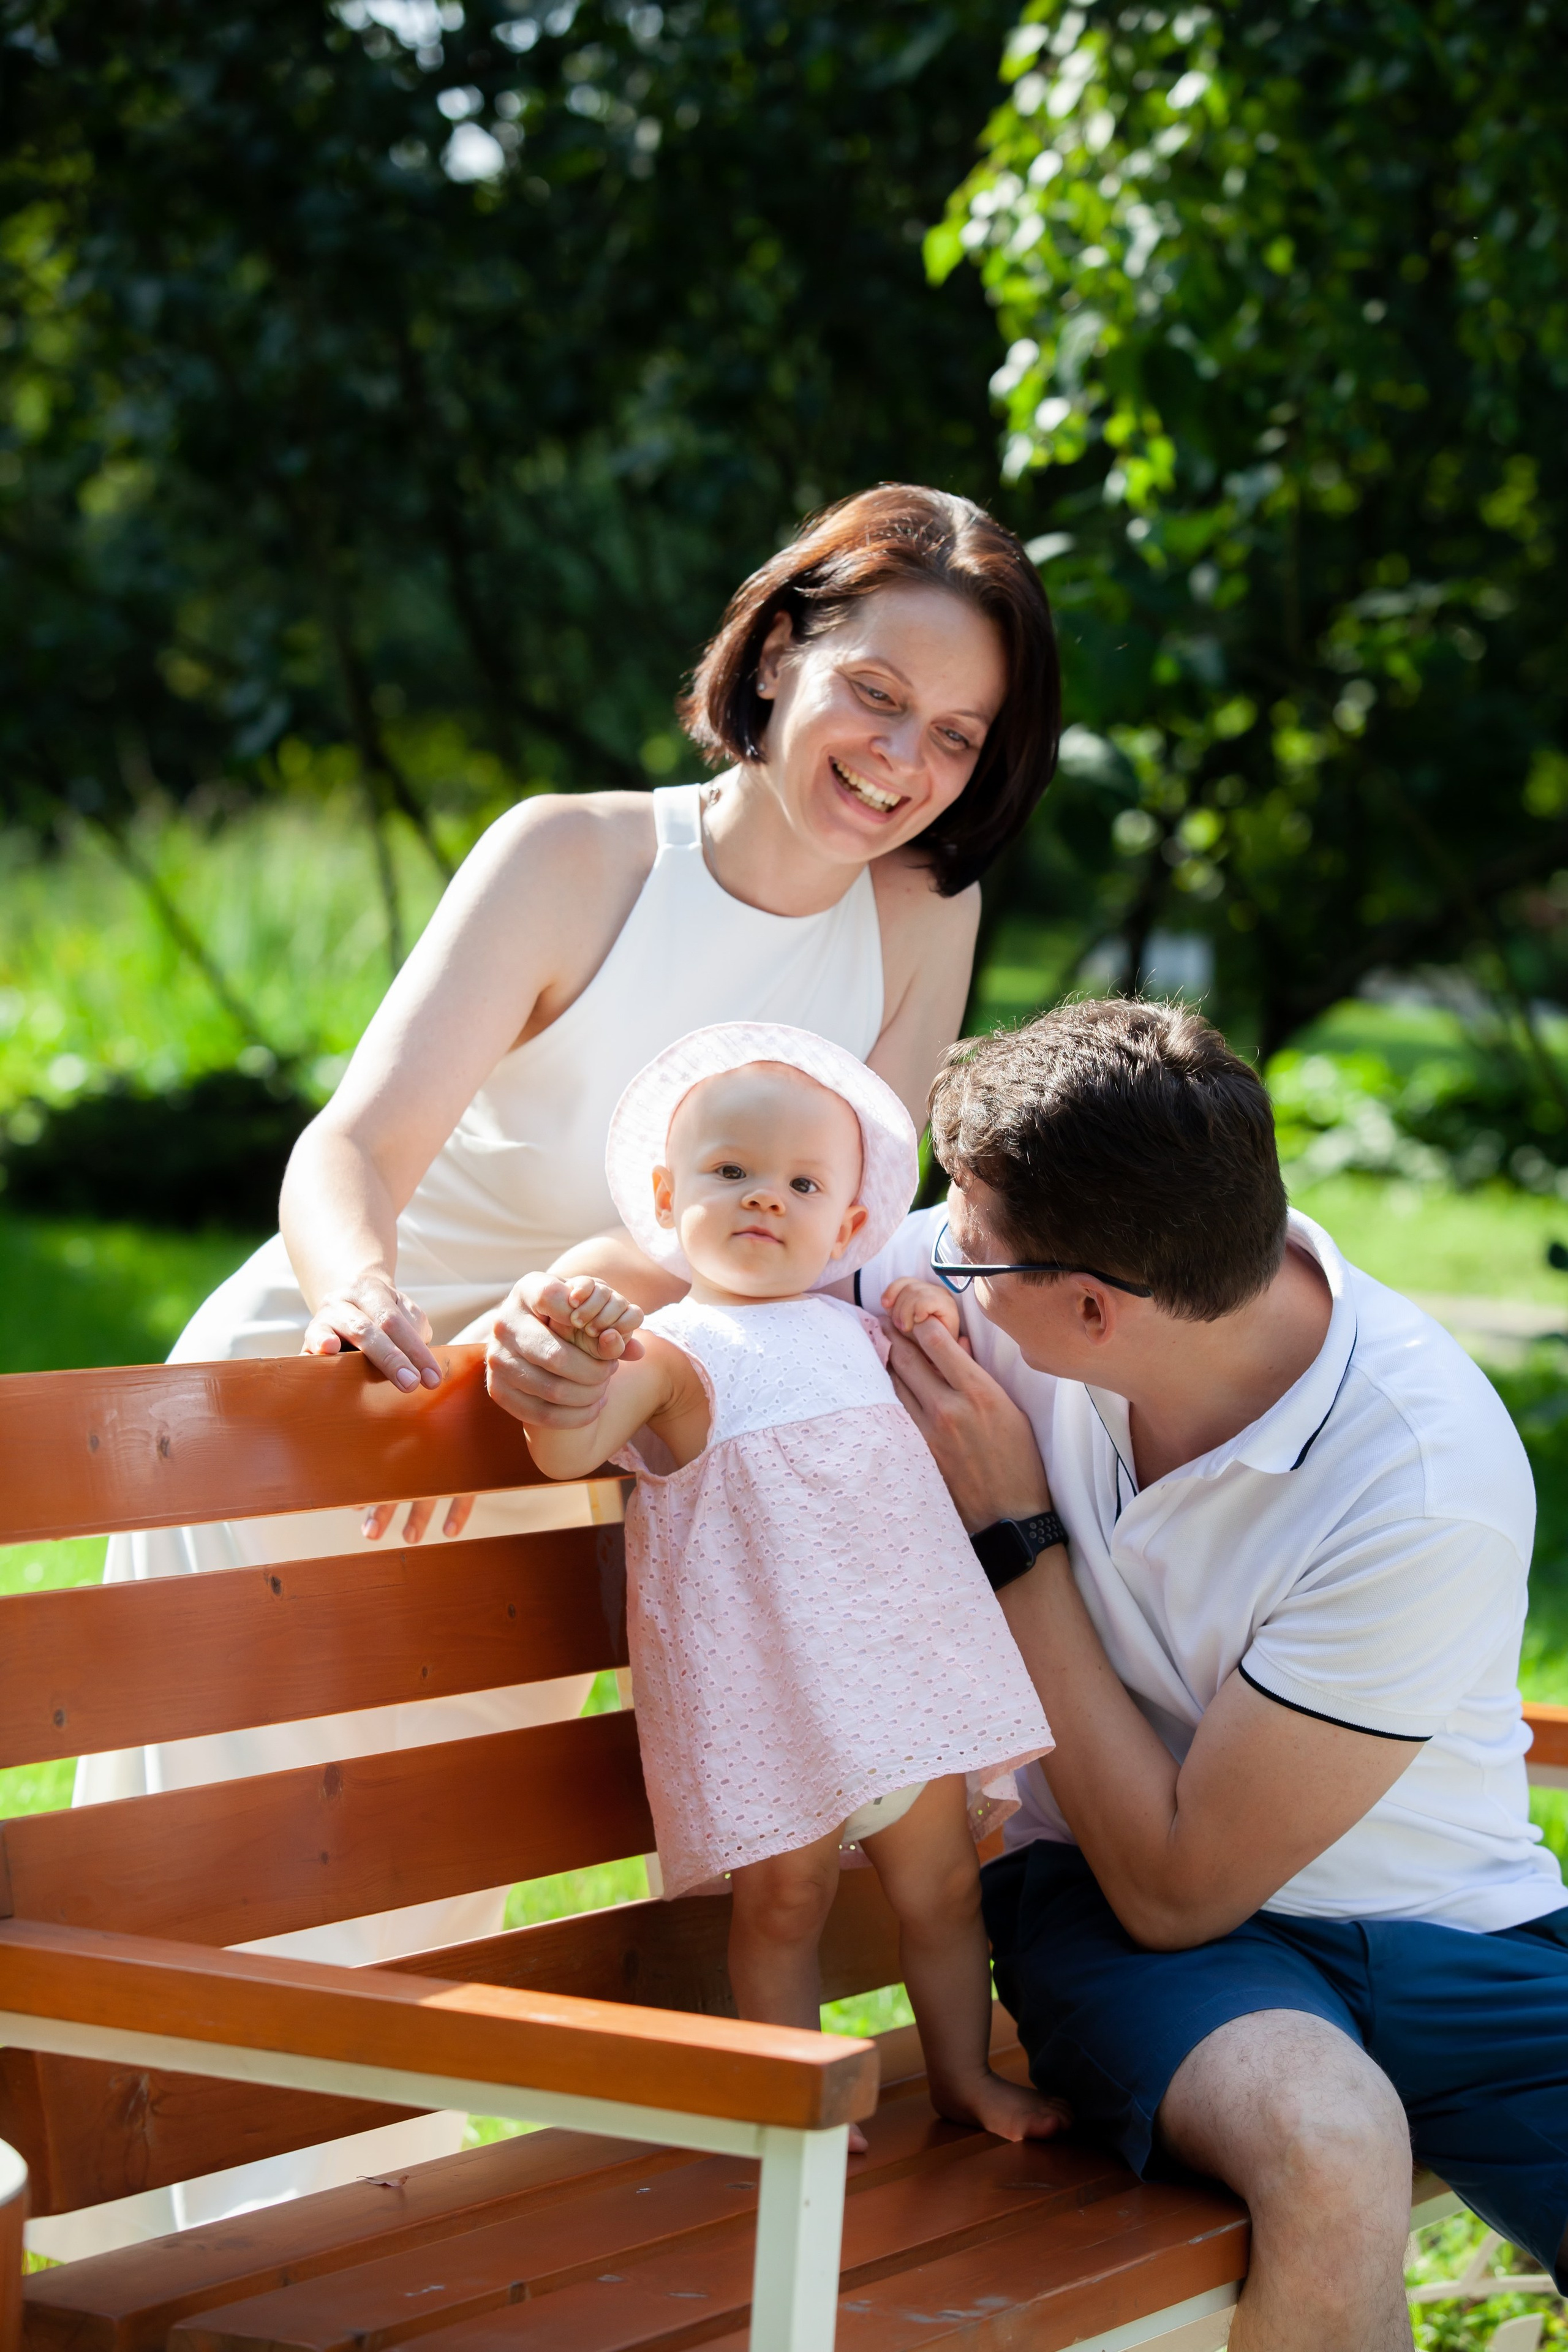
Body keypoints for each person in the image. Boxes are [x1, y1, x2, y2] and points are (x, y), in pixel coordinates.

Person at [48, 483, 1059, 2260]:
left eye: (958, 736)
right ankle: (144, 2264)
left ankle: (348, 2257)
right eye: (877, 696)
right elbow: (345, 1155)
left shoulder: (913, 919)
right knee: (213, 1868)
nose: (905, 763)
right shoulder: (580, 853)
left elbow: (841, 1234)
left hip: (578, 1426)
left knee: (415, 1896)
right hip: (340, 1397)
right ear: (776, 653)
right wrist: (367, 1301)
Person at [850, 999, 1568, 2352]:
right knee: (1328, 2141)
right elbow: (1169, 1905)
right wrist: (572, 1319)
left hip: (1450, 1929)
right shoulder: (1013, 1292)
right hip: (1119, 1920)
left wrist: (1020, 1544)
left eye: (967, 1242)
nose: (933, 1254)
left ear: (1090, 1310)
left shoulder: (1417, 1481)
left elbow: (1189, 1865)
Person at [516, 1023, 1059, 2147]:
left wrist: (928, 1313)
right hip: (775, 1709)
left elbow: (910, 1407)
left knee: (947, 1894)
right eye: (730, 1173)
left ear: (849, 1226)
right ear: (666, 1199)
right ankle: (793, 2108)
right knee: (784, 1904)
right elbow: (569, 1451)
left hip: (904, 1689)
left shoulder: (857, 1330)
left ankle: (964, 2074)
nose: (766, 1199)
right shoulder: (668, 1353)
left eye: (802, 1183)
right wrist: (574, 1357)